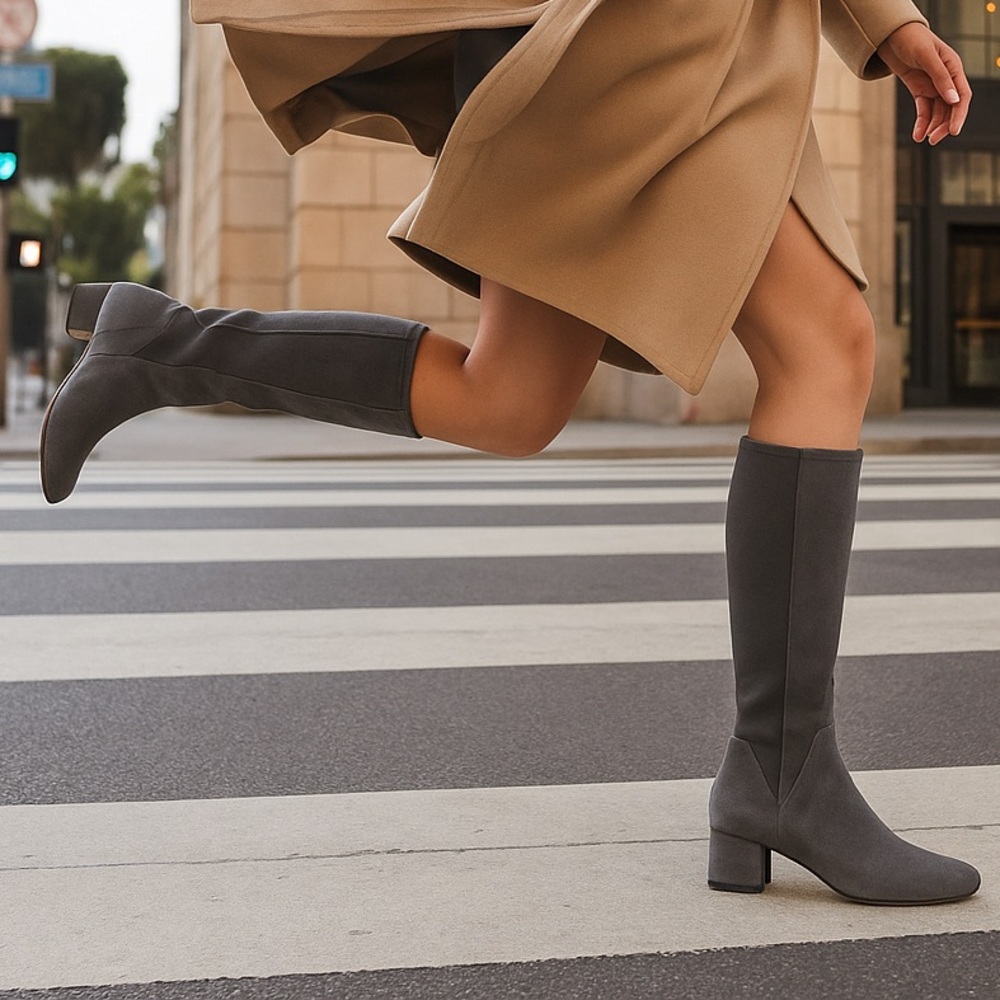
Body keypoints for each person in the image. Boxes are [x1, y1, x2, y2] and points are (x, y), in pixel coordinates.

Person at [40, 1, 979, 904]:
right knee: (824, 346)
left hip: (664, 35)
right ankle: (782, 775)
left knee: (511, 399)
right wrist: (883, 17)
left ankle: (160, 344)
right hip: (668, 31)